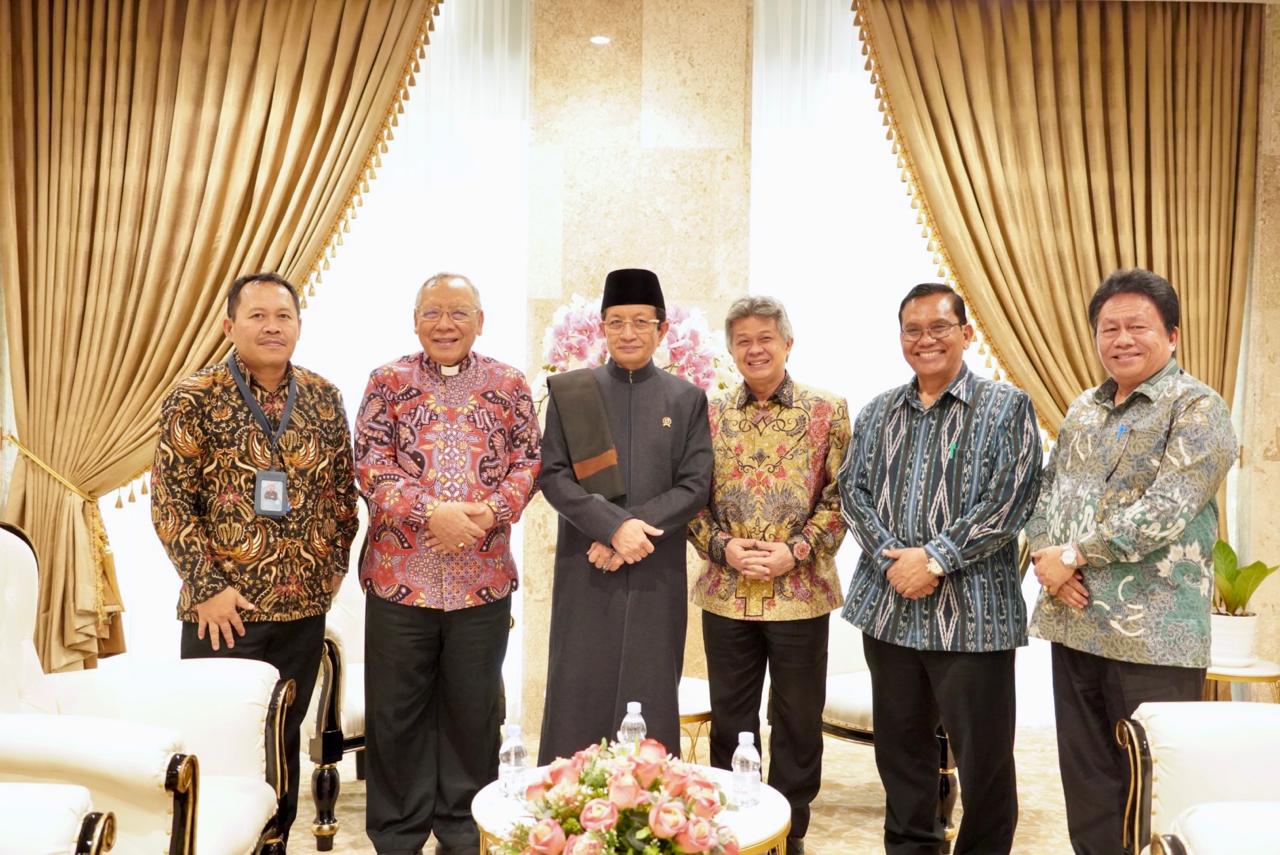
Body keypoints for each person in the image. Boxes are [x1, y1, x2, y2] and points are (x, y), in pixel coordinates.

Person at [1027, 269, 1237, 855]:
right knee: (1087, 782)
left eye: (1137, 326)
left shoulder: (1198, 407)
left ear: (1172, 334)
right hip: (1075, 621)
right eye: (1109, 328)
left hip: (1154, 637)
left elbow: (1167, 508)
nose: (1121, 339)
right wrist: (1047, 560)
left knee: (1154, 787)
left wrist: (1073, 555)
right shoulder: (1083, 408)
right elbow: (1046, 491)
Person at [152, 271, 359, 845]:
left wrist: (332, 568)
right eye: (258, 316)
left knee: (282, 742)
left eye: (283, 316)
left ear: (299, 325)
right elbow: (170, 502)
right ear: (229, 325)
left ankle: (277, 843)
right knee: (221, 742)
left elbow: (343, 494)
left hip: (302, 611)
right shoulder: (195, 397)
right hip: (223, 612)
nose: (272, 327)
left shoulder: (322, 396)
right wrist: (206, 587)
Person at [840, 283, 1043, 855]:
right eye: (913, 330)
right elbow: (852, 492)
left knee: (984, 763)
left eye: (939, 328)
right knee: (901, 756)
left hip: (973, 619)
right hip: (890, 612)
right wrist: (894, 559)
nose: (925, 340)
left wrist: (934, 559)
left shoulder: (1006, 406)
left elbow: (1012, 498)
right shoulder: (879, 410)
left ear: (966, 334)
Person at [354, 273, 541, 855]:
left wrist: (487, 513)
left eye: (458, 312)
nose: (445, 324)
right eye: (432, 312)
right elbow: (370, 462)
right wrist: (431, 513)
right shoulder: (387, 381)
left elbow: (529, 462)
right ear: (415, 321)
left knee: (472, 712)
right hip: (399, 581)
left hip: (482, 583)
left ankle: (464, 831)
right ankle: (398, 834)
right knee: (396, 714)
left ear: (480, 321)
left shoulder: (510, 384)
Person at [688, 296, 849, 855]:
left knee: (799, 719)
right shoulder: (707, 412)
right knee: (732, 716)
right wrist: (723, 547)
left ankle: (789, 829)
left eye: (765, 339)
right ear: (731, 349)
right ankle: (736, 824)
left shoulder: (828, 410)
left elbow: (841, 500)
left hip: (801, 592)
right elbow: (689, 497)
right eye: (743, 341)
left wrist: (795, 551)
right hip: (725, 591)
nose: (755, 350)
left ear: (787, 344)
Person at [538, 268, 712, 763]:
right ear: (602, 328)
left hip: (654, 567)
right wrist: (613, 528)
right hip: (586, 565)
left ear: (662, 329)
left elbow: (695, 486)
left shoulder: (686, 399)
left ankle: (650, 798)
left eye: (641, 321)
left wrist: (629, 531)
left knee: (650, 686)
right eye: (616, 322)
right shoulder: (572, 394)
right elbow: (553, 476)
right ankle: (568, 800)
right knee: (578, 687)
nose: (628, 332)